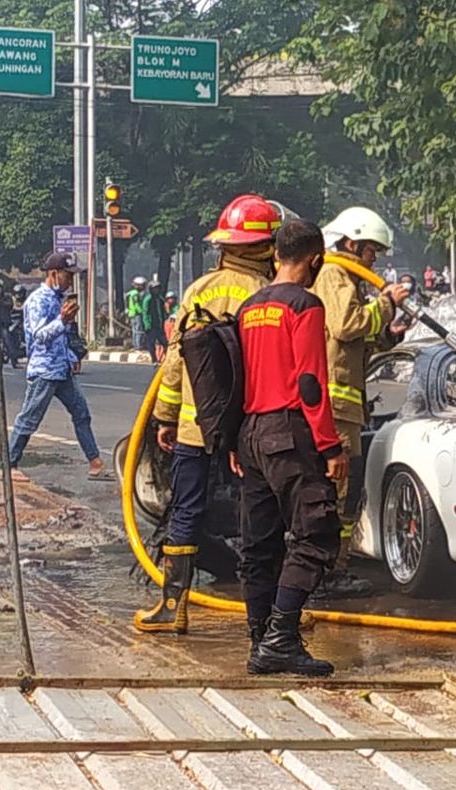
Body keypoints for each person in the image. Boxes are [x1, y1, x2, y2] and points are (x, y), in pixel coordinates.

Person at [134, 194, 280, 635]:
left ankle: (172, 608)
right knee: (260, 512)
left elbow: (176, 362)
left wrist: (165, 416)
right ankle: (271, 613)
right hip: (248, 427)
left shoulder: (199, 290)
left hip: (195, 427)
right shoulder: (269, 294)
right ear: (267, 247)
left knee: (186, 511)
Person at [233, 219, 345, 676]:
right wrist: (330, 445)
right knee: (316, 533)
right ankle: (281, 638)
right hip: (290, 431)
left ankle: (261, 641)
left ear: (275, 254)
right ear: (315, 258)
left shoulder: (249, 307)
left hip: (251, 433)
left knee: (258, 545)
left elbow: (237, 378)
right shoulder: (305, 305)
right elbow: (310, 384)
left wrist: (235, 442)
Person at [311, 206, 410, 600]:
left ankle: (335, 567)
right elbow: (345, 325)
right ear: (351, 242)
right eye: (371, 252)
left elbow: (354, 340)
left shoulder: (348, 279)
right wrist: (385, 302)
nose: (374, 260)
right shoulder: (333, 273)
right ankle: (325, 573)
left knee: (344, 493)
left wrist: (388, 336)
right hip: (335, 407)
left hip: (347, 408)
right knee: (335, 491)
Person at [7, 252, 108, 482]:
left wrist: (71, 355)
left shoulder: (58, 299)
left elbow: (61, 338)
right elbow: (39, 336)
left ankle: (95, 462)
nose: (70, 281)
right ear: (53, 274)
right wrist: (62, 321)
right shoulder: (37, 301)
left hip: (61, 369)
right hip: (44, 371)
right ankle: (10, 463)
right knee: (30, 418)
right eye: (67, 276)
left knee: (81, 413)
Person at [141, 280, 168, 364]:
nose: (156, 290)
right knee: (151, 343)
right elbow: (145, 312)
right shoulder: (147, 300)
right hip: (151, 325)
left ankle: (167, 359)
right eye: (154, 288)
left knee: (165, 343)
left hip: (159, 325)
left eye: (157, 288)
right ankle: (154, 359)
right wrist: (147, 324)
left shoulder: (160, 299)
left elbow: (163, 311)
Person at [125, 276, 148, 351]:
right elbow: (136, 304)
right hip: (136, 314)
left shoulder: (130, 293)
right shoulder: (135, 294)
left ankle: (136, 345)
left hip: (132, 313)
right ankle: (138, 346)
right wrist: (142, 312)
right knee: (139, 330)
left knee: (135, 331)